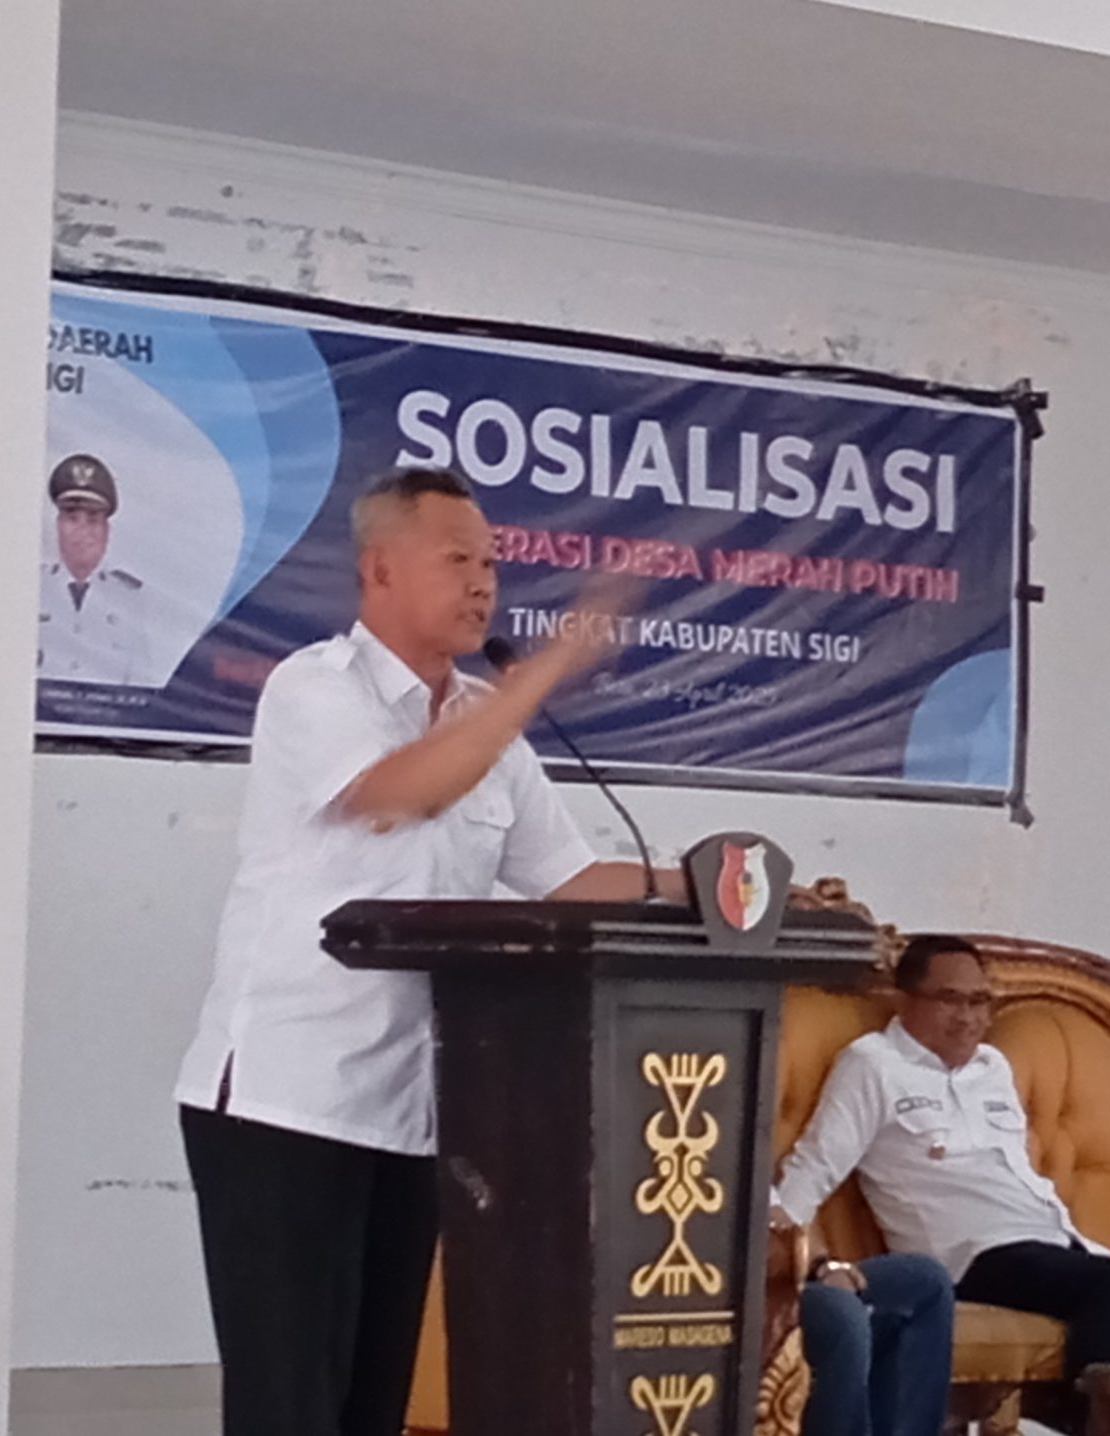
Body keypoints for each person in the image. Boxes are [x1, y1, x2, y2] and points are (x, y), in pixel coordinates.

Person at [172, 465, 677, 1436]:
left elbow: (569, 878)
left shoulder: (486, 724)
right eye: (458, 560)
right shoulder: (315, 686)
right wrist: (550, 668)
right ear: (380, 570)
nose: (483, 582)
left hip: (410, 1112)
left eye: (491, 563)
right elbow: (402, 791)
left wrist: (713, 881)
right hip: (285, 1100)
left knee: (374, 1407)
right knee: (290, 1407)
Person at [773, 934, 1110, 1382]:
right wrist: (795, 1251)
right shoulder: (874, 1065)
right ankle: (1091, 1415)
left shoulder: (992, 1067)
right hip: (970, 1257)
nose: (967, 1018)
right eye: (949, 1000)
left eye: (979, 1001)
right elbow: (815, 1165)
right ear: (903, 1000)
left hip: (1054, 1242)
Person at [792, 1248, 954, 1436]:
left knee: (930, 1282)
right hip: (773, 1288)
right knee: (845, 1315)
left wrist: (827, 1267)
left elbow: (801, 1238)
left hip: (807, 1273)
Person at [37, 452, 156, 686]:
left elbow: (141, 682)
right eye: (72, 519)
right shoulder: (33, 588)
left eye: (93, 520)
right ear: (58, 525)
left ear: (106, 532)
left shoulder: (128, 599)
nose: (82, 531)